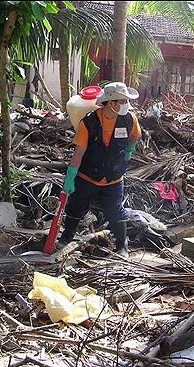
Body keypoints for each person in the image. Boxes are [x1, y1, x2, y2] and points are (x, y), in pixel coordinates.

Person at [56, 82, 142, 258]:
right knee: (75, 208)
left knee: (116, 211)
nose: (127, 104)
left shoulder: (129, 119)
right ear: (111, 103)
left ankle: (122, 245)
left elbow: (135, 135)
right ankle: (66, 238)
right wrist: (70, 177)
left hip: (114, 177)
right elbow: (78, 152)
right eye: (123, 101)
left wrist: (129, 150)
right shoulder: (88, 122)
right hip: (88, 176)